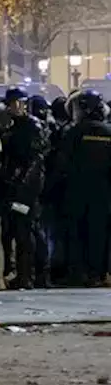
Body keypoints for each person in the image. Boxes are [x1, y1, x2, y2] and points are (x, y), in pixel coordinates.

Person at [0, 87, 48, 289]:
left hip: (26, 188)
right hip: (22, 186)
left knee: (26, 232)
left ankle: (30, 275)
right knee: (25, 231)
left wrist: (23, 189)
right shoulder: (19, 127)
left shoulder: (30, 127)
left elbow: (34, 161)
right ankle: (30, 274)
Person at [61, 90, 111, 287]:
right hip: (103, 193)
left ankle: (78, 273)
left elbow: (62, 163)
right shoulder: (108, 132)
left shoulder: (74, 132)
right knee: (98, 234)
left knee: (76, 233)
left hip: (77, 191)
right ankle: (97, 273)